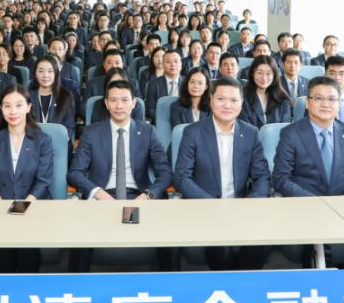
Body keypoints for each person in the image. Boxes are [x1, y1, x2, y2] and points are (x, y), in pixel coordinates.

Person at [270, 76, 344, 268]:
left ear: (339, 103)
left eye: (331, 99)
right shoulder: (291, 133)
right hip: (306, 205)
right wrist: (316, 202)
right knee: (317, 252)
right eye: (318, 98)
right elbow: (281, 179)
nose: (325, 104)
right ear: (308, 103)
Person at [68, 79, 175, 271]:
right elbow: (75, 173)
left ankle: (169, 284)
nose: (119, 106)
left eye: (125, 100)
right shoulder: (92, 132)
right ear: (106, 104)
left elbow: (165, 172)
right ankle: (78, 285)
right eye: (114, 100)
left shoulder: (148, 132)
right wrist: (98, 193)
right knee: (79, 235)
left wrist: (148, 195)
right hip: (101, 196)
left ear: (133, 103)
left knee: (169, 234)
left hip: (139, 196)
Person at [173, 77, 271, 270]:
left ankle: (238, 281)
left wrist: (252, 202)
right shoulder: (193, 132)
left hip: (240, 207)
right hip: (205, 208)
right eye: (221, 99)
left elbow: (262, 176)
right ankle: (230, 282)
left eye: (234, 100)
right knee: (222, 248)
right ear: (210, 100)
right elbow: (182, 177)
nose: (227, 105)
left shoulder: (250, 133)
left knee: (263, 240)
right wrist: (213, 205)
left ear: (241, 103)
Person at [0, 85, 55, 273]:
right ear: (1, 109)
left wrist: (25, 204)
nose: (13, 111)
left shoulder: (43, 140)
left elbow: (43, 181)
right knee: (2, 264)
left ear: (29, 107)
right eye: (7, 106)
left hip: (32, 207)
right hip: (1, 208)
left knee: (28, 261)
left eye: (18, 105)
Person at [29, 55, 77, 141]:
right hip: (32, 143)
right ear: (35, 74)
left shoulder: (66, 95)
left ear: (56, 74)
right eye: (41, 71)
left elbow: (70, 125)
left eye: (50, 71)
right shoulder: (27, 97)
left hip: (57, 142)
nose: (45, 75)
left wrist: (62, 141)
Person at [240, 55, 292, 127]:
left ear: (274, 75)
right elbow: (244, 127)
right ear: (252, 73)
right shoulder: (242, 97)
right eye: (260, 73)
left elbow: (284, 128)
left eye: (268, 74)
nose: (264, 78)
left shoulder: (283, 99)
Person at [144, 49, 183, 118]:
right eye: (168, 62)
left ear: (181, 64)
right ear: (163, 65)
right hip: (160, 120)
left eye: (176, 61)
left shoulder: (187, 82)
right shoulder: (153, 84)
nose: (173, 64)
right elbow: (150, 109)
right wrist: (163, 119)